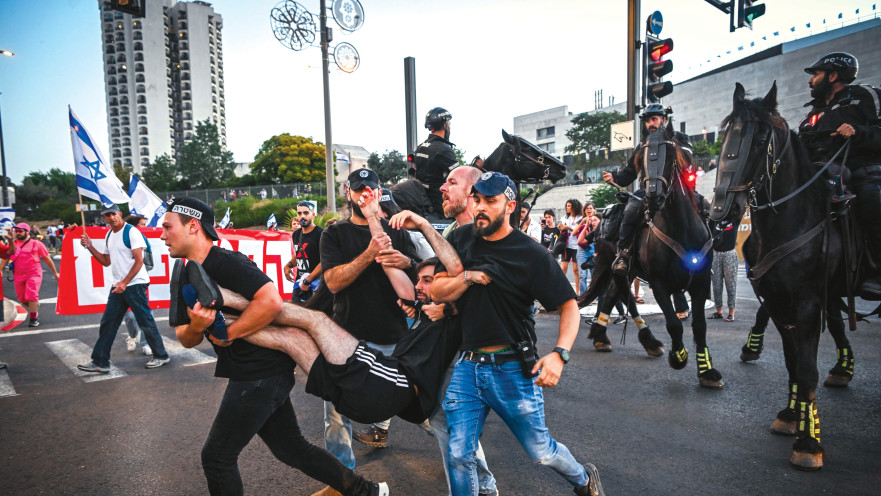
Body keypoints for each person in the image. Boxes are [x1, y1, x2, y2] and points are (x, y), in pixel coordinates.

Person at [161, 197, 390, 496]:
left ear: (193, 226)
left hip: (260, 372)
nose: (162, 233)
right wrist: (196, 326)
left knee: (217, 457)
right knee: (292, 450)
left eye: (167, 226)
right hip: (253, 372)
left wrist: (228, 332)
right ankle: (368, 492)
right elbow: (184, 336)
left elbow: (270, 302)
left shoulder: (228, 261)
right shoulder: (183, 274)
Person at [432, 171, 605, 496]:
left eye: (491, 201)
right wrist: (467, 277)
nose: (481, 208)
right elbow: (438, 290)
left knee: (540, 452)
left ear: (510, 206)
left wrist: (560, 354)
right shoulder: (461, 239)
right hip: (468, 367)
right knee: (458, 454)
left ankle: (584, 478)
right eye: (478, 200)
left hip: (512, 369)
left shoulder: (532, 254)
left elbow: (569, 307)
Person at [320, 168, 418, 469]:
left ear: (378, 194)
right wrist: (368, 253)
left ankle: (467, 467)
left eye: (370, 189)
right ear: (348, 192)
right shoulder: (334, 233)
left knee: (421, 407)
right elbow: (333, 282)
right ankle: (342, 476)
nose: (364, 193)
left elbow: (419, 278)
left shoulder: (397, 231)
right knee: (336, 412)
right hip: (346, 336)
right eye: (359, 188)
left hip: (391, 335)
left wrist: (410, 263)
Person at [427, 165, 499, 496]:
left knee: (538, 444)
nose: (442, 187)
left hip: (493, 353)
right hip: (461, 344)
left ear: (471, 193)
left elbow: (500, 294)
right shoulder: (454, 234)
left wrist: (451, 301)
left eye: (451, 182)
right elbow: (439, 284)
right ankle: (482, 487)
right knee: (445, 419)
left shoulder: (495, 236)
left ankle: (579, 478)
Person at [799, 52, 881, 294]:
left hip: (862, 169)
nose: (810, 80)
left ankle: (877, 271)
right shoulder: (810, 116)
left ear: (833, 75)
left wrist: (856, 131)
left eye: (816, 74)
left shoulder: (865, 95)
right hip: (821, 175)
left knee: (873, 199)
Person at [77, 204, 170, 373]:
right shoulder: (109, 235)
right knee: (108, 322)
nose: (111, 217)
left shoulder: (132, 232)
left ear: (120, 214)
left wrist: (124, 282)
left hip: (134, 284)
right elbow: (106, 261)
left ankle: (161, 355)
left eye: (114, 214)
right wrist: (90, 246)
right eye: (107, 215)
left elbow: (139, 260)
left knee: (145, 321)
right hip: (120, 285)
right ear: (103, 218)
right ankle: (100, 362)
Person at [603, 103, 692, 275]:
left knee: (703, 207)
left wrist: (672, 145)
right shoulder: (642, 145)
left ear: (663, 120)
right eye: (647, 121)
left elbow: (688, 160)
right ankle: (623, 254)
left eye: (654, 119)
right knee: (629, 211)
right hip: (648, 191)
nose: (651, 123)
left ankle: (709, 250)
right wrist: (614, 178)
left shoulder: (680, 138)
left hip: (677, 190)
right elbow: (629, 172)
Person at [6, 222, 59, 327]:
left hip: (34, 273)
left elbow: (47, 258)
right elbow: (7, 255)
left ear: (27, 232)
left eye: (20, 231)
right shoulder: (13, 243)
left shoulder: (36, 243)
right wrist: (10, 241)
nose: (18, 233)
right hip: (18, 274)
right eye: (16, 231)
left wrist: (55, 272)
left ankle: (33, 318)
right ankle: (35, 305)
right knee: (22, 298)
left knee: (31, 295)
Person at [412, 107, 458, 217]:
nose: (449, 126)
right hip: (439, 205)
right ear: (444, 125)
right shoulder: (444, 149)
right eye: (449, 123)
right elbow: (459, 178)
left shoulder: (420, 147)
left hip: (423, 202)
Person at [121, 214, 153, 355]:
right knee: (130, 317)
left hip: (140, 283)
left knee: (146, 315)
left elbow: (150, 264)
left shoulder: (145, 241)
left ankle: (146, 343)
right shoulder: (121, 237)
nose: (145, 228)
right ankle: (132, 335)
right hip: (124, 284)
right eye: (142, 225)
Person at [284, 201, 324, 304]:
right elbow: (300, 254)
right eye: (299, 213)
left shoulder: (321, 234)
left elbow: (325, 260)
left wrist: (308, 280)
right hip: (300, 283)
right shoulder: (296, 234)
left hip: (317, 285)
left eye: (306, 213)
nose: (302, 216)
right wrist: (288, 265)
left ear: (313, 215)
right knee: (295, 315)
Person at [708, 221, 739, 322]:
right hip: (715, 253)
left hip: (729, 253)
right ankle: (719, 312)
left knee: (731, 284)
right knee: (716, 285)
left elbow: (741, 206)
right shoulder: (713, 219)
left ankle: (731, 313)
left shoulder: (734, 218)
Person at [557, 199, 583, 295]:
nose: (567, 207)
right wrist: (561, 228)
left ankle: (577, 292)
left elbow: (578, 232)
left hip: (577, 246)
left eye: (569, 206)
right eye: (566, 205)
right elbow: (562, 232)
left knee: (576, 270)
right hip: (566, 245)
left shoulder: (580, 218)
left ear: (574, 207)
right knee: (563, 269)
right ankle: (560, 291)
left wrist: (569, 228)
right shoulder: (565, 218)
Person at [574, 203, 600, 295]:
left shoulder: (597, 220)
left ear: (594, 210)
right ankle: (583, 295)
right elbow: (574, 233)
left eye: (590, 208)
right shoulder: (582, 221)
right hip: (582, 249)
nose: (589, 210)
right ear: (584, 211)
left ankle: (594, 295)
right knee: (582, 275)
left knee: (594, 273)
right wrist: (584, 223)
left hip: (593, 248)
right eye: (587, 208)